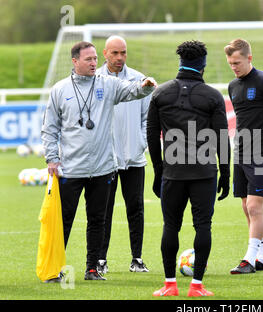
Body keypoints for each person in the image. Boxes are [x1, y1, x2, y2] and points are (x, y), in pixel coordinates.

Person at [41, 41, 156, 281]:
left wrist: (145, 87)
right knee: (64, 221)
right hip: (71, 169)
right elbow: (50, 129)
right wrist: (52, 158)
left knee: (97, 220)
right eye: (88, 59)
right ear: (75, 62)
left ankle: (92, 268)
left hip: (103, 168)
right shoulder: (60, 90)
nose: (94, 63)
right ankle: (54, 270)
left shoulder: (108, 84)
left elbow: (132, 90)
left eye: (95, 59)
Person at [147, 40, 230, 297]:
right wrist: (226, 172)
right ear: (203, 65)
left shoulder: (160, 94)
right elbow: (222, 137)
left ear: (180, 61)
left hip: (172, 173)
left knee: (170, 226)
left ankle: (170, 284)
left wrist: (158, 170)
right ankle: (196, 286)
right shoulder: (213, 96)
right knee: (203, 226)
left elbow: (151, 136)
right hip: (204, 173)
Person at [95, 35, 150, 274]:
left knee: (135, 208)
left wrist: (140, 144)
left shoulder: (139, 80)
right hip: (105, 160)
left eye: (123, 53)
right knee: (103, 210)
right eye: (115, 53)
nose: (119, 58)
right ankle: (100, 260)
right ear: (105, 53)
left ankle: (136, 259)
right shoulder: (94, 80)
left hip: (133, 158)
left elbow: (148, 118)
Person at [224, 38, 263, 274]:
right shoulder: (232, 86)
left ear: (249, 58)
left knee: (255, 206)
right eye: (230, 63)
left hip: (262, 150)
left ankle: (249, 259)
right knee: (247, 207)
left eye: (237, 62)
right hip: (241, 150)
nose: (234, 67)